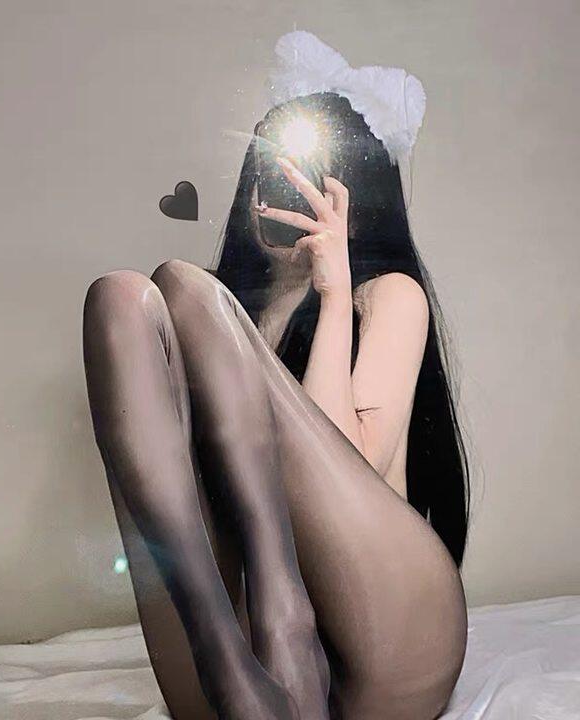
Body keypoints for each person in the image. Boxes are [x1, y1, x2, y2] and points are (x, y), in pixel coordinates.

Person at [82, 36, 470, 720]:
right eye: (270, 170)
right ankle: (224, 651)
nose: (281, 190)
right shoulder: (225, 309)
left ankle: (283, 619)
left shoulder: (386, 295)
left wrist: (333, 293)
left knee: (184, 285)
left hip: (386, 638)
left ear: (356, 196)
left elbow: (355, 464)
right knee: (121, 296)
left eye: (308, 174)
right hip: (248, 671)